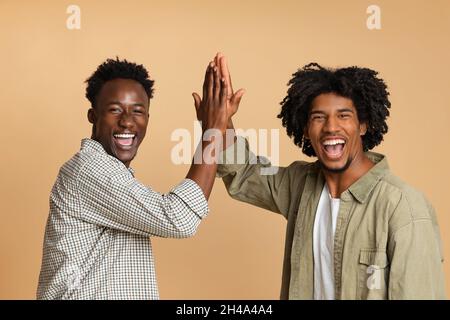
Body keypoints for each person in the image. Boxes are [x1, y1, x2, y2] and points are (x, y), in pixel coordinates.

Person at [209, 55, 446, 299]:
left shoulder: (403, 207)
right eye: (318, 117)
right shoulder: (300, 185)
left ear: (363, 125)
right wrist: (221, 121)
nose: (331, 127)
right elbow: (244, 174)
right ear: (305, 129)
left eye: (343, 115)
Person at [37, 57, 230, 299]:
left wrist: (214, 129)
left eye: (137, 111)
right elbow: (179, 219)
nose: (127, 122)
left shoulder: (115, 175)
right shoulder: (88, 169)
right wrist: (213, 131)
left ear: (148, 118)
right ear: (92, 115)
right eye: (115, 109)